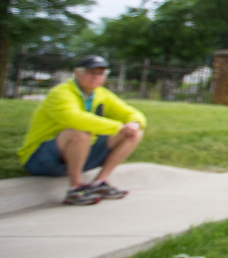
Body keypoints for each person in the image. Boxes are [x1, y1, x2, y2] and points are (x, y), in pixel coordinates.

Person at [17, 55, 145, 205]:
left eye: (100, 73)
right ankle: (76, 189)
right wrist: (118, 127)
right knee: (79, 131)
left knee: (134, 133)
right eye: (90, 72)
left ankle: (99, 183)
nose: (95, 77)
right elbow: (74, 119)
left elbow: (131, 113)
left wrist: (134, 124)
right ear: (77, 73)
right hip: (40, 158)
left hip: (74, 155)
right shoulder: (60, 93)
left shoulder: (100, 93)